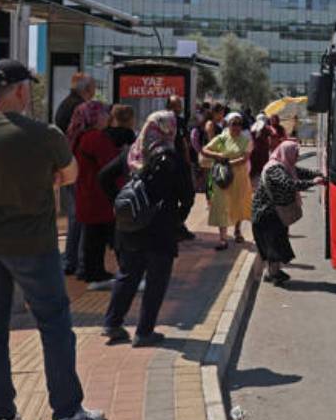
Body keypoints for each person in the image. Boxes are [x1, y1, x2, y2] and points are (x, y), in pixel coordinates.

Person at [0, 59, 105, 420]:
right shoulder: (44, 135)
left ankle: (0, 418)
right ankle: (66, 413)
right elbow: (71, 176)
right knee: (54, 324)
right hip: (33, 244)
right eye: (27, 86)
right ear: (18, 91)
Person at [101, 111, 195, 348]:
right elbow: (188, 196)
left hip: (130, 228)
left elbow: (103, 177)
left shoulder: (131, 153)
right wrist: (177, 219)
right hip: (160, 229)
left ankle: (112, 323)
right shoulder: (172, 158)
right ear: (169, 130)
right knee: (156, 280)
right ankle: (144, 332)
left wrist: (122, 204)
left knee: (127, 274)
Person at [251, 142, 323, 286]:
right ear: (286, 152)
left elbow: (301, 172)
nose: (296, 156)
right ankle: (274, 274)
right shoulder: (274, 169)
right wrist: (312, 183)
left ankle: (272, 273)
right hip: (266, 214)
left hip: (275, 214)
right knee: (274, 245)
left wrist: (320, 174)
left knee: (277, 243)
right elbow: (288, 184)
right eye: (295, 153)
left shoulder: (285, 165)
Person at [68, 101, 120, 290]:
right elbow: (112, 164)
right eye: (105, 114)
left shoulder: (81, 137)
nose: (108, 117)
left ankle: (94, 273)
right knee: (116, 237)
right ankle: (130, 273)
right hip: (100, 197)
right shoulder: (96, 138)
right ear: (94, 117)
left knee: (94, 238)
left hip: (87, 195)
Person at [55, 73, 96, 277]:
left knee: (75, 214)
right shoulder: (78, 107)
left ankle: (71, 259)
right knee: (77, 215)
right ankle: (73, 260)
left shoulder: (66, 104)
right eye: (94, 87)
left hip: (68, 165)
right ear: (86, 89)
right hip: (75, 167)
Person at [202, 112, 253, 250]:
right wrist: (217, 155)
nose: (236, 127)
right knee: (221, 205)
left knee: (239, 204)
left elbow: (244, 158)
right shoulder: (222, 138)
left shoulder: (246, 140)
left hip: (239, 177)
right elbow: (204, 150)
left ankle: (237, 231)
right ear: (228, 125)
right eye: (233, 124)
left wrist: (227, 163)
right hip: (222, 178)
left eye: (239, 124)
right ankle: (223, 239)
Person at [165, 96, 197, 242]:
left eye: (180, 104)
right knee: (187, 197)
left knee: (175, 198)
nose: (179, 107)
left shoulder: (161, 120)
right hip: (177, 164)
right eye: (177, 105)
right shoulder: (177, 121)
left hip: (166, 164)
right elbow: (184, 144)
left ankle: (176, 226)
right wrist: (188, 163)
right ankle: (175, 226)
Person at [249, 114, 272, 179]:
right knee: (263, 163)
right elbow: (270, 133)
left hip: (255, 148)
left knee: (256, 163)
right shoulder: (265, 127)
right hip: (263, 148)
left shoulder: (253, 127)